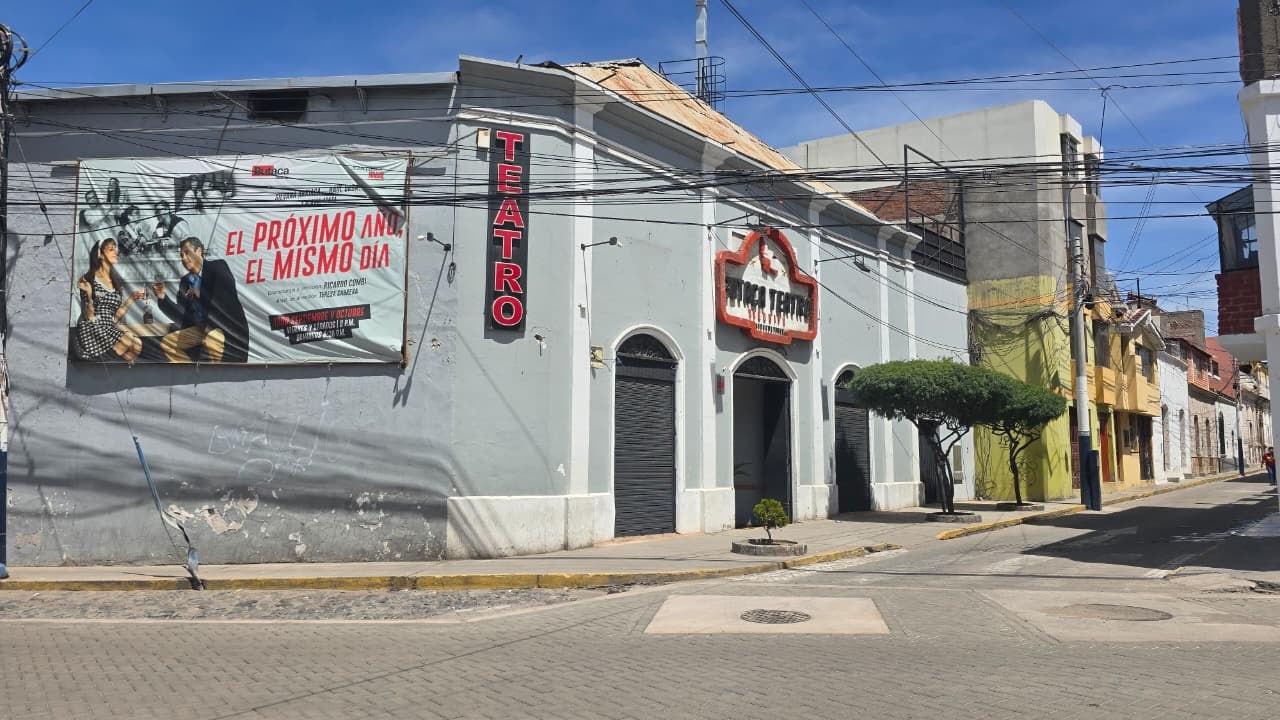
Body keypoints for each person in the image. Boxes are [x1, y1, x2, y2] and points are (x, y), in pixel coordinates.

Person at [153, 237, 249, 363]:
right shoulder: (185, 281)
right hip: (200, 329)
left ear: (198, 251)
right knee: (168, 342)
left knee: (212, 340)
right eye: (181, 255)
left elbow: (227, 299)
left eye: (187, 253)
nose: (184, 258)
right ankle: (189, 375)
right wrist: (163, 298)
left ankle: (217, 379)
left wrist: (200, 293)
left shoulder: (218, 267)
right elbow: (182, 315)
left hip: (224, 328)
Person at [74, 238, 145, 362]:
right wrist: (90, 295)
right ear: (100, 255)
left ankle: (119, 371)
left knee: (137, 344)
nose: (116, 252)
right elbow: (88, 315)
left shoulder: (116, 283)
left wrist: (131, 299)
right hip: (92, 329)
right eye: (111, 249)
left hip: (108, 328)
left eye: (115, 249)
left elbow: (114, 318)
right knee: (129, 342)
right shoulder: (88, 279)